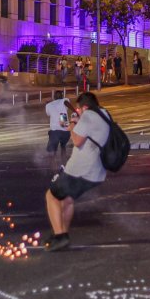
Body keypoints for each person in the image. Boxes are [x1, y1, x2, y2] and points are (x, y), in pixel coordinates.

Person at [44, 92, 110, 252]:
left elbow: (77, 140)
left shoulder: (88, 117)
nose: (79, 110)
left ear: (85, 107)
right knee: (67, 199)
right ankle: (62, 233)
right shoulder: (104, 113)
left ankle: (60, 236)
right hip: (97, 171)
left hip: (81, 170)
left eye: (80, 108)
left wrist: (74, 122)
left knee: (51, 195)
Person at [45, 91, 71, 165]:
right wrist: (76, 111)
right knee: (63, 147)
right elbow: (66, 103)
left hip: (55, 130)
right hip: (65, 129)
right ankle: (64, 164)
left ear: (54, 97)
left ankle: (54, 167)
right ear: (62, 96)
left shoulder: (49, 105)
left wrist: (48, 104)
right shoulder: (64, 100)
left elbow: (48, 114)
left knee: (53, 151)